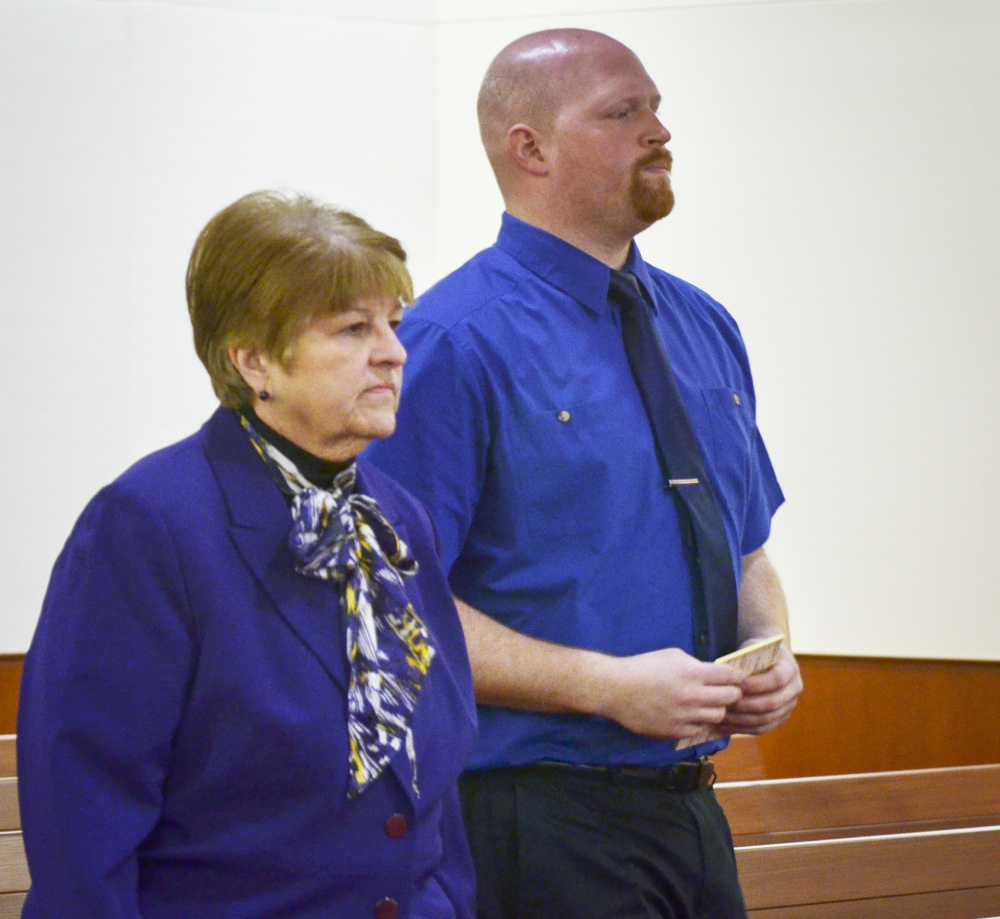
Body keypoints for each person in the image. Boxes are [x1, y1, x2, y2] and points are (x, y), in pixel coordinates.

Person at [364, 28, 802, 919]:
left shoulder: (705, 327)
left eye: (657, 109)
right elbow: (396, 603)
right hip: (536, 813)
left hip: (691, 810)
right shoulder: (452, 343)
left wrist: (772, 647)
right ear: (530, 148)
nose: (659, 131)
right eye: (621, 112)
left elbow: (749, 549)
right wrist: (608, 686)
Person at [17, 191, 478, 919]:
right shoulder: (147, 525)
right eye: (353, 328)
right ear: (254, 359)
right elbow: (83, 820)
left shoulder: (397, 517)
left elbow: (430, 781)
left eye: (392, 323)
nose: (393, 352)